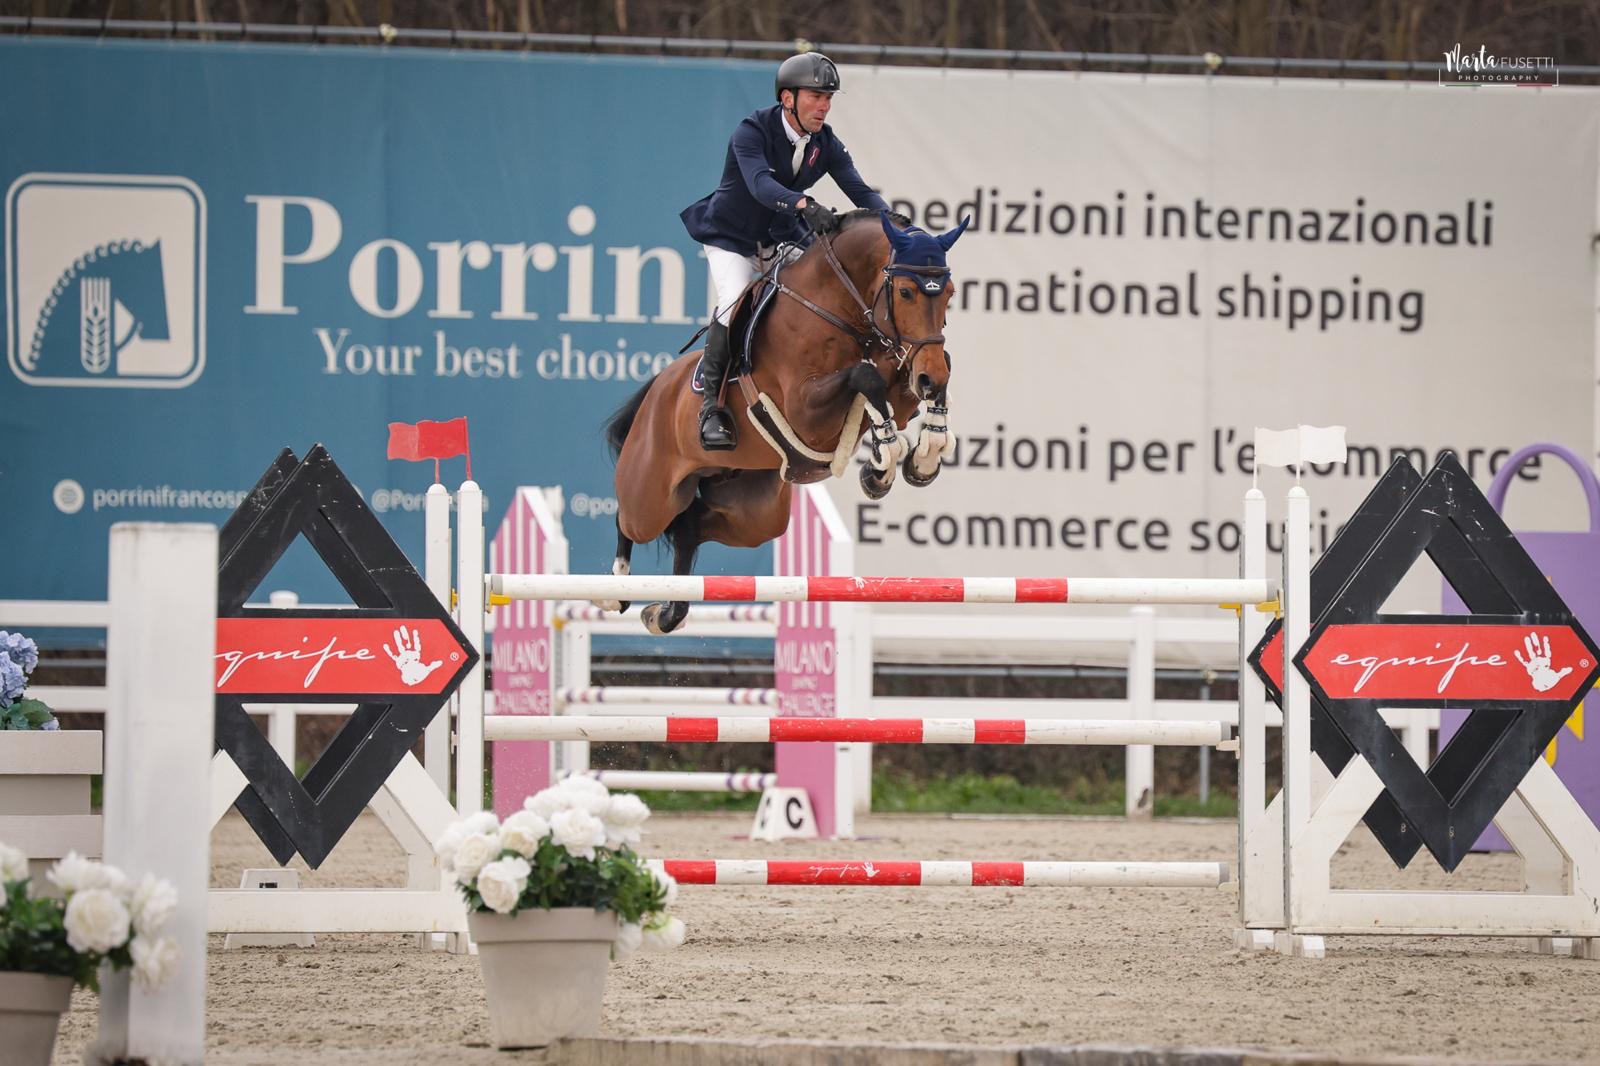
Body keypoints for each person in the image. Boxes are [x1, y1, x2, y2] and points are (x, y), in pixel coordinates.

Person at [680, 52, 890, 450]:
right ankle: (712, 407)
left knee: (828, 284)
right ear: (788, 98)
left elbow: (860, 192)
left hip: (781, 237)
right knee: (734, 299)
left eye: (829, 98)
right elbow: (760, 185)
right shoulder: (751, 132)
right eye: (816, 96)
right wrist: (804, 205)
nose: (824, 106)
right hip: (733, 238)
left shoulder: (825, 143)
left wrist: (899, 226)